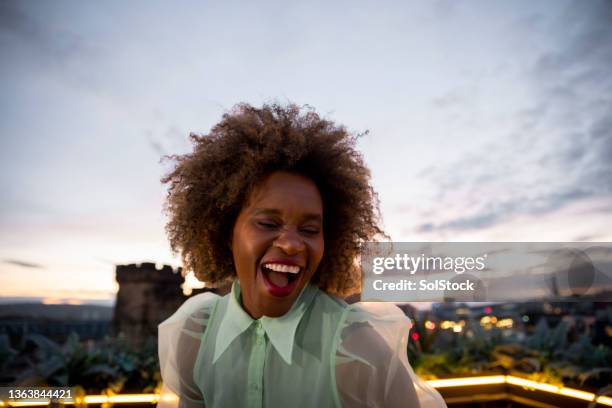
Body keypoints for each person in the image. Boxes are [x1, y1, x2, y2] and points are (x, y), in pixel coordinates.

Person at [157, 103, 446, 408]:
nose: (293, 244)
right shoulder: (195, 336)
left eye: (310, 229)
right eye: (268, 223)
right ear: (225, 231)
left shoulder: (357, 351)